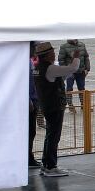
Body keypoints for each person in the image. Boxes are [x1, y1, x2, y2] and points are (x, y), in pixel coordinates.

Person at [32, 42, 80, 179]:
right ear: (47, 55)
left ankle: (46, 164)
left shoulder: (37, 68)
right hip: (54, 105)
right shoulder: (50, 68)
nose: (54, 54)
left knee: (50, 135)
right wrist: (76, 57)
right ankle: (51, 166)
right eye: (52, 52)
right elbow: (73, 68)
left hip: (46, 104)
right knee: (54, 136)